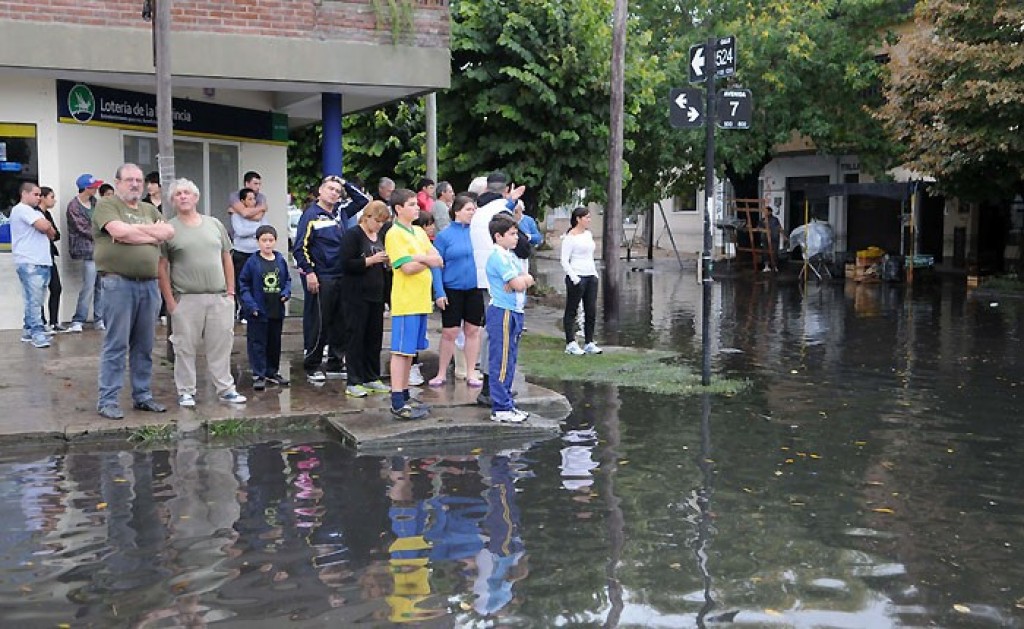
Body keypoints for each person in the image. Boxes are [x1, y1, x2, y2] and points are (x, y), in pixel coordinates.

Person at [93, 163, 175, 420]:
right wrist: (152, 235)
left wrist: (134, 233)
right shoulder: (107, 205)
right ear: (117, 182)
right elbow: (118, 231)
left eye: (139, 180)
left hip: (149, 284)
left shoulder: (149, 208)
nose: (135, 184)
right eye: (129, 180)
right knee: (116, 344)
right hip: (118, 283)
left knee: (144, 345)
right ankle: (108, 400)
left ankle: (142, 396)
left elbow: (169, 232)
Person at [158, 178, 247, 408]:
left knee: (221, 345)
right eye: (178, 194)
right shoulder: (168, 228)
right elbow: (162, 267)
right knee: (184, 347)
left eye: (187, 193)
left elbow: (227, 257)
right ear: (172, 200)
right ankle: (186, 391)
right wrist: (170, 302)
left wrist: (230, 292)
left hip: (219, 297)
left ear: (196, 197)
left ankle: (225, 388)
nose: (183, 197)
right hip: (186, 299)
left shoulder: (214, 224)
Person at [293, 175, 369, 383]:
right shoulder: (311, 215)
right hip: (322, 276)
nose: (334, 193)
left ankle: (336, 361)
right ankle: (312, 364)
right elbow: (300, 248)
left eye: (337, 190)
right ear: (320, 191)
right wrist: (309, 272)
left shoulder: (341, 212)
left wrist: (345, 183)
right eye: (330, 188)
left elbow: (363, 201)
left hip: (343, 275)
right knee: (318, 322)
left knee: (341, 321)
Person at [469, 171, 529, 405]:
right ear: (505, 190)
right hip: (502, 281)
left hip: (483, 277)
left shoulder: (479, 213)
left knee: (491, 334)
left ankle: (493, 386)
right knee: (501, 338)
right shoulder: (500, 213)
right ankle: (494, 388)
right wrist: (519, 222)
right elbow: (524, 247)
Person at [384, 188, 443, 420]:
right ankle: (397, 400)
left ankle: (406, 394)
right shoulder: (394, 234)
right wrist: (426, 260)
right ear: (399, 209)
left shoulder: (418, 231)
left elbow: (437, 257)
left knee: (411, 351)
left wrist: (421, 259)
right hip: (405, 300)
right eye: (411, 204)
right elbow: (405, 266)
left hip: (421, 299)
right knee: (400, 351)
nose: (416, 208)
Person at [428, 194, 483, 388]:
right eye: (469, 209)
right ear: (457, 211)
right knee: (450, 332)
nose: (472, 212)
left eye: (474, 209)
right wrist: (439, 292)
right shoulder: (445, 235)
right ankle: (441, 372)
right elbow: (436, 265)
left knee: (473, 330)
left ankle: (470, 372)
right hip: (452, 288)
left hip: (474, 288)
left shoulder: (477, 233)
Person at [338, 201, 392, 398]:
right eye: (377, 221)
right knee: (356, 336)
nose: (379, 225)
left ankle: (371, 376)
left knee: (374, 337)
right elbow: (345, 263)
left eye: (382, 222)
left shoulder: (380, 236)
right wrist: (370, 260)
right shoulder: (353, 235)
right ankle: (354, 379)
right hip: (355, 294)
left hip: (376, 294)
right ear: (367, 217)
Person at [484, 214, 534, 423]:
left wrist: (522, 280)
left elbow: (526, 278)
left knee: (511, 358)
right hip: (502, 311)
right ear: (498, 236)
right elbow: (520, 284)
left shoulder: (510, 255)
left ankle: (507, 403)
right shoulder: (498, 256)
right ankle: (500, 407)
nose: (516, 238)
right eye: (512, 234)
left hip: (515, 310)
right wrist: (521, 281)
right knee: (501, 360)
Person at [238, 225, 292, 392]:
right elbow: (244, 284)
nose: (268, 244)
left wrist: (286, 292)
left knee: (274, 343)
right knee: (257, 343)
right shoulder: (253, 262)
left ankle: (272, 371)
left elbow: (288, 280)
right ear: (258, 241)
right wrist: (251, 305)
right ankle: (258, 374)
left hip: (276, 309)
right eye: (264, 240)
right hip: (258, 311)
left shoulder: (280, 260)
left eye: (271, 240)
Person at [10, 182, 55, 349]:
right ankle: (37, 332)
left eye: (40, 195)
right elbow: (45, 226)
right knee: (35, 300)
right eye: (35, 195)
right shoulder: (22, 209)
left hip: (41, 260)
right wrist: (45, 225)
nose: (39, 198)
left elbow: (52, 234)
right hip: (30, 261)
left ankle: (28, 330)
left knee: (34, 299)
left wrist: (46, 226)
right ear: (25, 194)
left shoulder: (35, 212)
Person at [561, 206, 602, 355]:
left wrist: (595, 274)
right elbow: (564, 260)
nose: (589, 220)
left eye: (590, 217)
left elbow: (590, 256)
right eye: (587, 217)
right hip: (576, 275)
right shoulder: (570, 237)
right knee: (572, 309)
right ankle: (570, 343)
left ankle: (589, 341)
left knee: (590, 310)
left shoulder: (588, 234)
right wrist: (574, 278)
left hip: (590, 275)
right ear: (578, 219)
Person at [66, 173, 105, 332]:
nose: (96, 189)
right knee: (88, 286)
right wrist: (102, 234)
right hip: (87, 251)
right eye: (93, 186)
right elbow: (82, 228)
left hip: (101, 250)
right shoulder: (74, 206)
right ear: (86, 188)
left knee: (101, 287)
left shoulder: (96, 203)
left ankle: (99, 319)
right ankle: (78, 319)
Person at [228, 172, 269, 317]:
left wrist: (249, 215)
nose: (258, 188)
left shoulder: (261, 198)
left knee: (257, 281)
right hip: (241, 251)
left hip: (257, 251)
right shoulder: (235, 201)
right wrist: (250, 219)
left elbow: (265, 228)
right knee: (240, 282)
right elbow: (240, 230)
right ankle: (242, 310)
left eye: (259, 184)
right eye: (255, 184)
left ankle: (254, 310)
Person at [37, 187, 65, 332]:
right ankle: (41, 322)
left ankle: (54, 321)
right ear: (42, 197)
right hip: (39, 257)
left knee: (56, 288)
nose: (53, 200)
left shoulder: (47, 214)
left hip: (49, 255)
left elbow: (55, 234)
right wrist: (48, 230)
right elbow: (44, 231)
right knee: (39, 291)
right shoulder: (35, 213)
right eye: (51, 197)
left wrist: (49, 230)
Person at [760, 206, 786, 273]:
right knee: (765, 252)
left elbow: (779, 227)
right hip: (765, 238)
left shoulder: (775, 219)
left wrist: (784, 236)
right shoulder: (762, 220)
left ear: (770, 212)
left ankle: (775, 266)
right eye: (764, 211)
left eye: (766, 211)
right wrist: (763, 230)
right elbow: (759, 228)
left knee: (774, 253)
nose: (765, 213)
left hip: (774, 238)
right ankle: (766, 266)